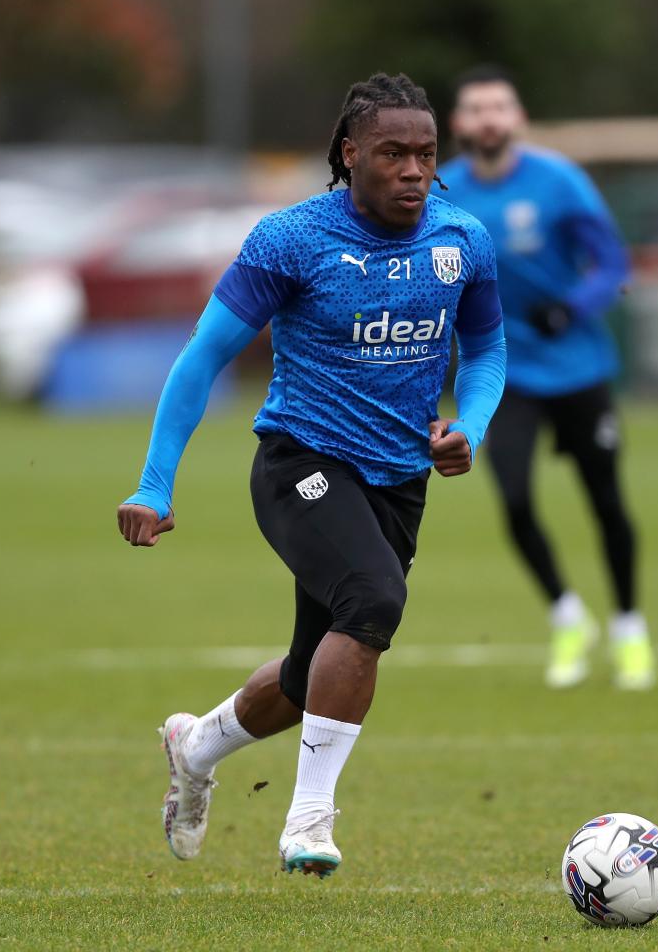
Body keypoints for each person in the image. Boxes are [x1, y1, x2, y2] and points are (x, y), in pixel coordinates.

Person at [115, 73, 506, 877]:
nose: (412, 170)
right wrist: (156, 482)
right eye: (393, 153)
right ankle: (309, 823)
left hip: (399, 478)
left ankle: (196, 747)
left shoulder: (463, 239)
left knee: (305, 679)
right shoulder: (289, 239)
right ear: (349, 153)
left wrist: (470, 425)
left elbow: (489, 349)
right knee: (373, 600)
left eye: (426, 155)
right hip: (301, 461)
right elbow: (204, 357)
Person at [439, 66, 654, 691]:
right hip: (503, 372)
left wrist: (572, 306)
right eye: (476, 108)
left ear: (518, 118)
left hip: (580, 369)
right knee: (512, 499)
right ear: (458, 124)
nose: (488, 118)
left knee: (606, 502)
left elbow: (612, 261)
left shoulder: (560, 181)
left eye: (499, 107)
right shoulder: (443, 191)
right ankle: (567, 615)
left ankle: (629, 627)